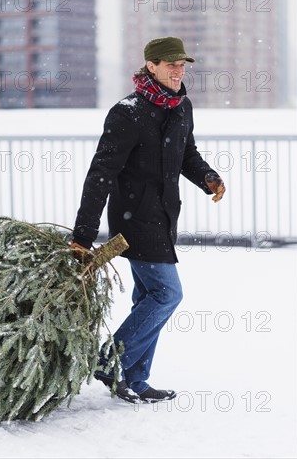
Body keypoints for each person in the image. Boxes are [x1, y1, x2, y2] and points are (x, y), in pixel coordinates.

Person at [71, 37, 226, 404]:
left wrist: (207, 178)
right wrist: (83, 234)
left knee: (147, 298)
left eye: (182, 64)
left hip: (165, 217)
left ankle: (136, 381)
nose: (178, 70)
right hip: (136, 220)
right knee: (167, 293)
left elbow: (187, 153)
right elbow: (101, 174)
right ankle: (110, 361)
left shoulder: (181, 107)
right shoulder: (127, 112)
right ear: (150, 66)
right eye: (170, 64)